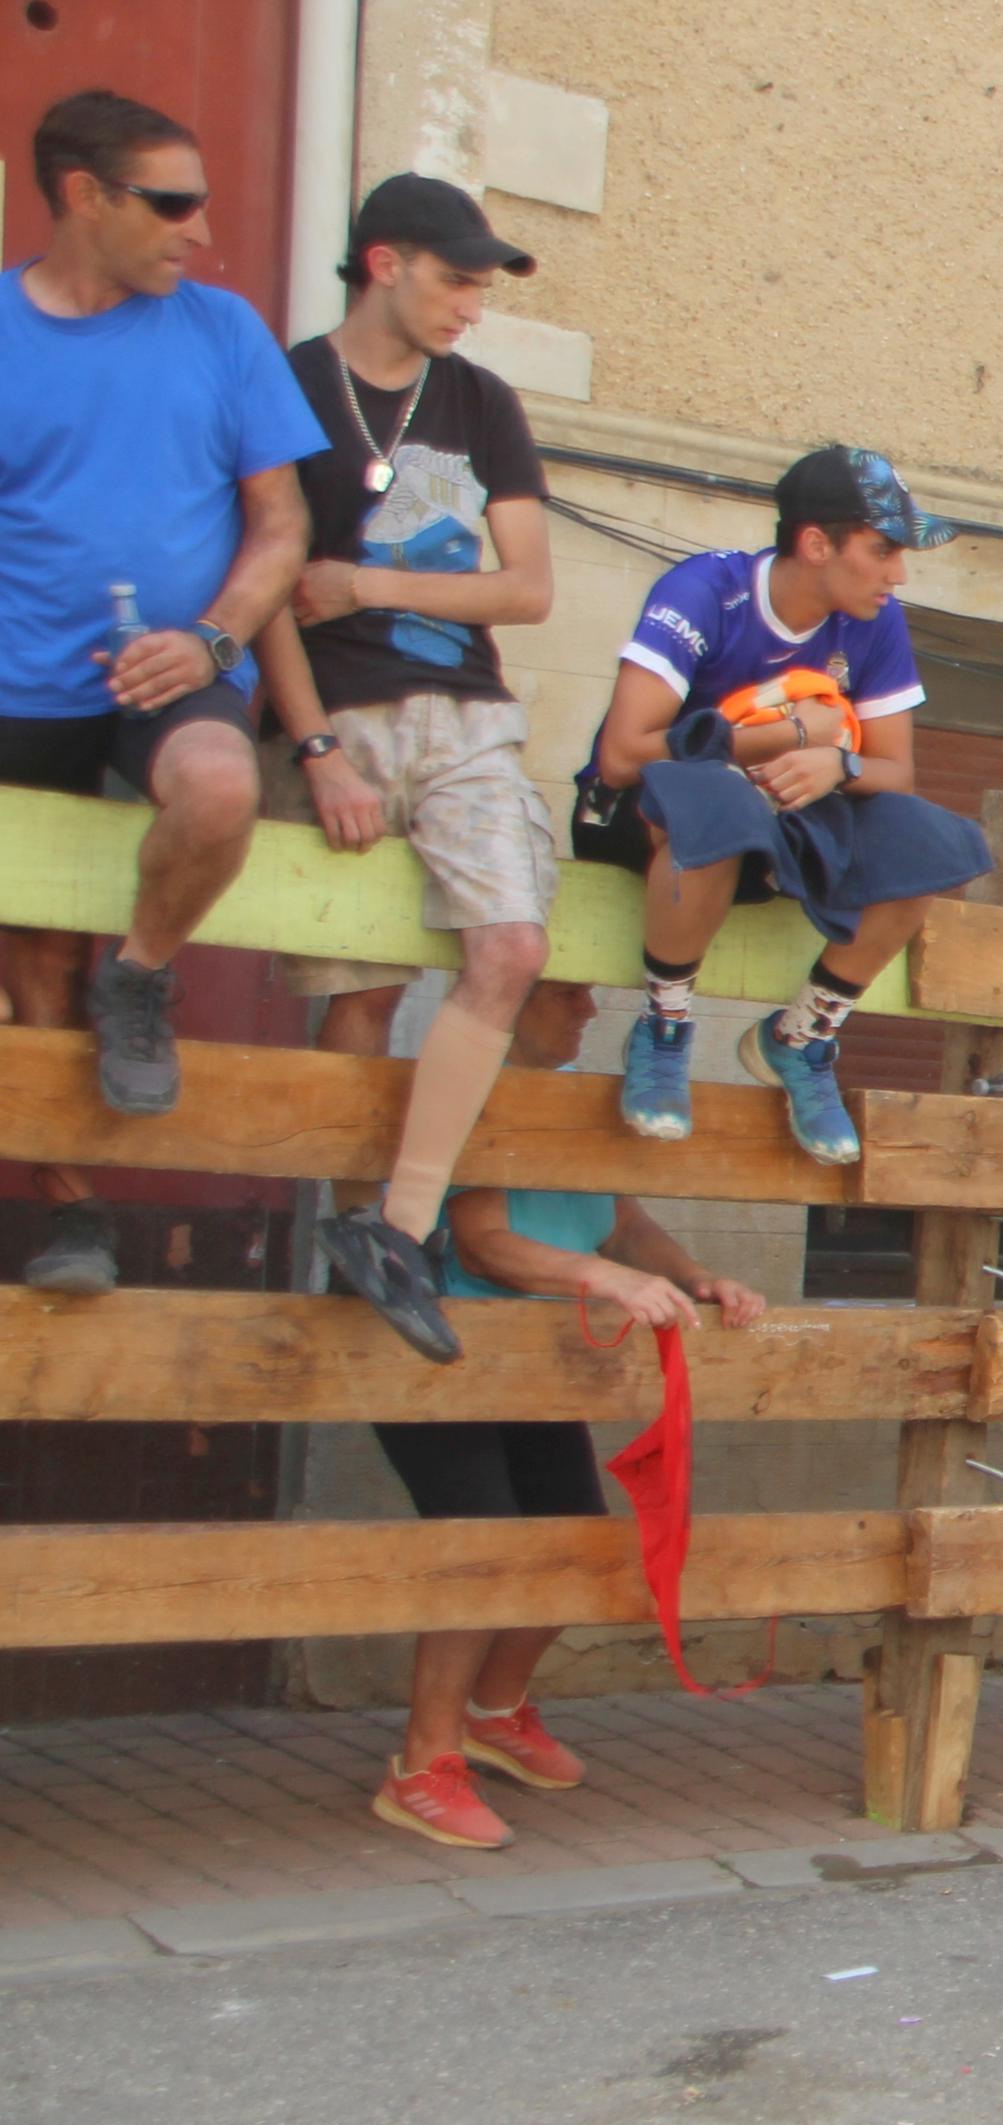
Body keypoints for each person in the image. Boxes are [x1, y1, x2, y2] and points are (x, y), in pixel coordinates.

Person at [0, 91, 322, 1295]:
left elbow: (283, 527)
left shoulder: (224, 330)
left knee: (223, 792)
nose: (201, 229)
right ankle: (70, 1212)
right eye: (173, 202)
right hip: (19, 684)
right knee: (33, 946)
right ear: (84, 195)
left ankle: (138, 975)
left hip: (178, 672)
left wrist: (209, 640)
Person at [243, 175, 557, 1368]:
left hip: (467, 714)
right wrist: (315, 749)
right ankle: (347, 1231)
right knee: (362, 993)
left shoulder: (481, 401)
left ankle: (400, 1227)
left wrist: (366, 583)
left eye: (482, 286)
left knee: (511, 948)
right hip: (340, 717)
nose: (472, 305)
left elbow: (527, 589)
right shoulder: (285, 385)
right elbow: (266, 584)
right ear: (386, 263)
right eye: (457, 279)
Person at [367, 977, 768, 1850]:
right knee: (482, 1545)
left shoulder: (574, 1107)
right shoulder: (478, 1093)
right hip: (448, 1363)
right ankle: (421, 1764)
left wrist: (696, 1275)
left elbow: (623, 1225)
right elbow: (485, 1244)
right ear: (514, 1004)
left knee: (575, 1537)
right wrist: (601, 1277)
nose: (589, 1010)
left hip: (535, 1371)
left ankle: (492, 1712)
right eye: (568, 994)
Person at [572, 446, 991, 1167]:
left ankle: (802, 1036)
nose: (899, 574)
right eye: (883, 550)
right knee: (716, 799)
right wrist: (787, 735)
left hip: (775, 829)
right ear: (816, 543)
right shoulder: (703, 589)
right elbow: (621, 755)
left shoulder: (877, 619)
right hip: (640, 819)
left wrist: (839, 763)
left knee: (930, 844)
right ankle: (664, 1028)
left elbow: (894, 772)